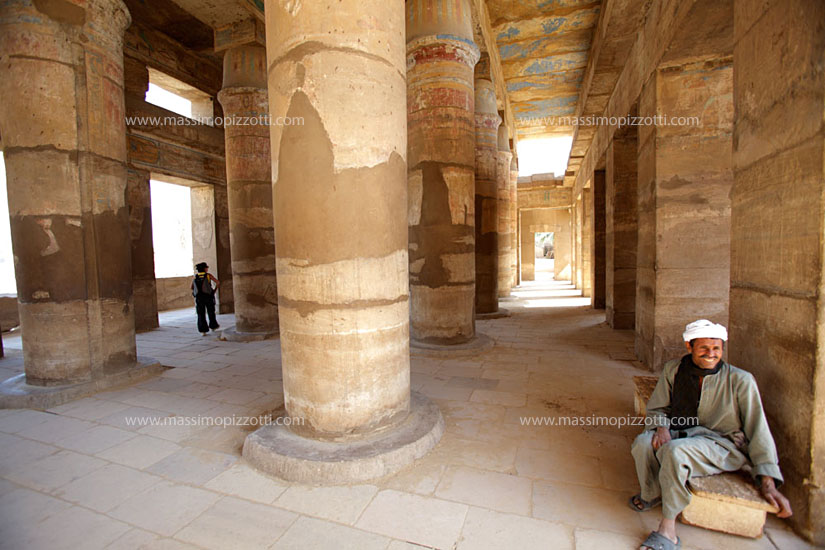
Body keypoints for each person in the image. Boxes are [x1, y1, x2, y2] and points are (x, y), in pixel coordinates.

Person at [629, 319, 792, 550]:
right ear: (689, 346)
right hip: (680, 431)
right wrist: (662, 428)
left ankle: (668, 530)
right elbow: (658, 408)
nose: (711, 354)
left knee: (675, 452)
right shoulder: (674, 370)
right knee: (643, 443)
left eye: (716, 348)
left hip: (720, 443)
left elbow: (758, 429)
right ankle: (652, 493)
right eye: (704, 348)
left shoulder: (741, 380)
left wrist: (767, 480)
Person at [191, 262, 220, 336]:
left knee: (201, 313)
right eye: (206, 267)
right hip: (208, 296)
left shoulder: (195, 276)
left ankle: (203, 330)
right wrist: (214, 291)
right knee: (211, 312)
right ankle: (213, 326)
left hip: (199, 298)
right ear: (204, 268)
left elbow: (191, 287)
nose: (207, 268)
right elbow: (217, 282)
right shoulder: (208, 275)